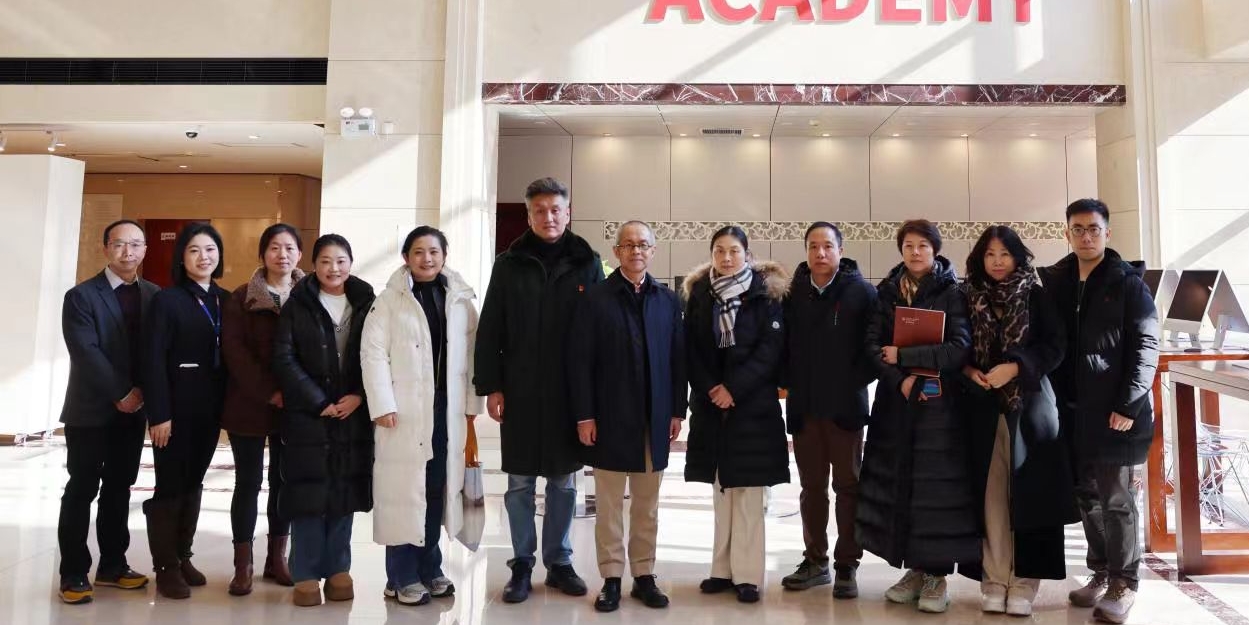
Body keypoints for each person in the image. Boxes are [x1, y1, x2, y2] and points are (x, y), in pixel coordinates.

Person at [474, 177, 604, 603]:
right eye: (540, 210)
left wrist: (594, 395)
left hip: (570, 392)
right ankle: (522, 563)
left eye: (555, 210)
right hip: (521, 389)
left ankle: (560, 562)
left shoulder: (587, 262)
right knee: (519, 483)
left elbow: (599, 331)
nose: (549, 217)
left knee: (564, 482)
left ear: (568, 213)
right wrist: (492, 385)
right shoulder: (509, 264)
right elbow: (491, 327)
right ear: (529, 215)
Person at [1040, 199, 1159, 625]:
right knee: (1086, 496)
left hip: (1116, 413)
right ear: (1067, 233)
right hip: (1072, 412)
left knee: (1116, 499)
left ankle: (1125, 582)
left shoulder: (1128, 284)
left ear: (1108, 233)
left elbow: (1146, 347)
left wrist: (1128, 404)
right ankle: (1101, 571)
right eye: (1078, 229)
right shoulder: (1056, 281)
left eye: (1094, 229)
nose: (1086, 236)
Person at [856, 219, 977, 614]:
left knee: (935, 493)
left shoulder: (953, 292)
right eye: (909, 245)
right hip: (897, 403)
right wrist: (901, 380)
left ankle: (936, 577)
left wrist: (906, 356)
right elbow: (872, 346)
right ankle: (913, 569)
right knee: (901, 486)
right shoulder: (888, 290)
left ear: (935, 250)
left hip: (940, 407)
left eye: (923, 245)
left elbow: (958, 348)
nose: (915, 252)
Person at [568, 220, 687, 612]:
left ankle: (644, 574)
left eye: (643, 245)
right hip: (609, 417)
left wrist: (676, 410)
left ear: (653, 251)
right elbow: (580, 362)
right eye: (629, 245)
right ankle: (611, 577)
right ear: (617, 251)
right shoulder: (595, 299)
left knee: (646, 504)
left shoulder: (668, 300)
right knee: (609, 505)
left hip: (654, 418)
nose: (637, 251)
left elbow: (678, 360)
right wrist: (585, 415)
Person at [362, 226, 485, 606]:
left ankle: (430, 568)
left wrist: (470, 406)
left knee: (436, 490)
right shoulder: (389, 301)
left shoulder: (461, 300)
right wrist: (382, 405)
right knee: (404, 492)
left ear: (444, 255)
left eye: (433, 251)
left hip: (446, 410)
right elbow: (372, 353)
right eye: (418, 251)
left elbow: (473, 356)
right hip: (403, 412)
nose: (426, 258)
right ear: (406, 257)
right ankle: (401, 576)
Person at [960, 225, 1077, 617]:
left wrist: (1015, 368)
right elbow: (957, 345)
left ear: (1017, 257)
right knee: (991, 498)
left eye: (1005, 254)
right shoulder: (966, 294)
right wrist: (969, 371)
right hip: (982, 409)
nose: (997, 262)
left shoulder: (1035, 294)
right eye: (990, 254)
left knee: (1030, 497)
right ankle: (994, 580)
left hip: (1029, 407)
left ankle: (1025, 583)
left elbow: (1055, 346)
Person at [682, 225, 790, 604]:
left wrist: (734, 388)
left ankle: (747, 576)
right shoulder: (700, 294)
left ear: (747, 254)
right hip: (712, 407)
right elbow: (690, 348)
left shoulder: (766, 294)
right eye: (719, 251)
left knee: (748, 494)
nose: (726, 258)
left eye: (734, 251)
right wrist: (712, 387)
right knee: (721, 490)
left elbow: (770, 350)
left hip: (753, 408)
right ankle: (721, 570)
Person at [56, 220, 158, 604]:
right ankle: (73, 572)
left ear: (145, 249)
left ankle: (113, 565)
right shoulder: (81, 296)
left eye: (135, 244)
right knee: (81, 488)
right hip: (90, 410)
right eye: (119, 244)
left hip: (133, 412)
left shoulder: (154, 294)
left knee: (119, 488)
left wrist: (143, 395)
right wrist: (120, 392)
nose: (127, 252)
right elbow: (86, 351)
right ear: (105, 248)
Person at [273, 234, 376, 607]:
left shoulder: (367, 303)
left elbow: (379, 355)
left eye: (341, 261)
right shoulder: (297, 304)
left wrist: (360, 396)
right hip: (308, 415)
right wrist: (317, 401)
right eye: (325, 261)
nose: (334, 268)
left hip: (352, 414)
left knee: (343, 493)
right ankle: (304, 573)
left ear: (351, 263)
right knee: (308, 494)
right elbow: (284, 358)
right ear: (313, 265)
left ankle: (338, 569)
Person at [780, 221, 877, 599]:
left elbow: (873, 349)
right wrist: (788, 380)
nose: (820, 253)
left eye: (827, 246)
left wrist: (848, 381)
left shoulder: (861, 292)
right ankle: (815, 560)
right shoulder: (792, 293)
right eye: (813, 246)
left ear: (840, 250)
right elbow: (782, 344)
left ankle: (847, 564)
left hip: (845, 407)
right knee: (811, 488)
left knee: (848, 486)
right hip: (804, 407)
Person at [141, 222, 230, 600]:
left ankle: (183, 556)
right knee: (171, 486)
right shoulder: (168, 300)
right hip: (174, 412)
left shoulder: (226, 299)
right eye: (194, 250)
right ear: (182, 258)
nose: (203, 257)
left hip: (209, 411)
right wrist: (159, 414)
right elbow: (152, 360)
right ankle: (165, 567)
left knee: (194, 482)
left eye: (210, 250)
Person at [220, 223, 304, 595]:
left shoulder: (310, 296)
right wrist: (270, 392)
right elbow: (235, 353)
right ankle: (243, 565)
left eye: (289, 248)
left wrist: (297, 392)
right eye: (274, 247)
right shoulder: (242, 297)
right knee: (248, 483)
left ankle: (277, 559)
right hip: (249, 404)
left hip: (295, 407)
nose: (282, 255)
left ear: (300, 254)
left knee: (284, 483)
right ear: (263, 253)